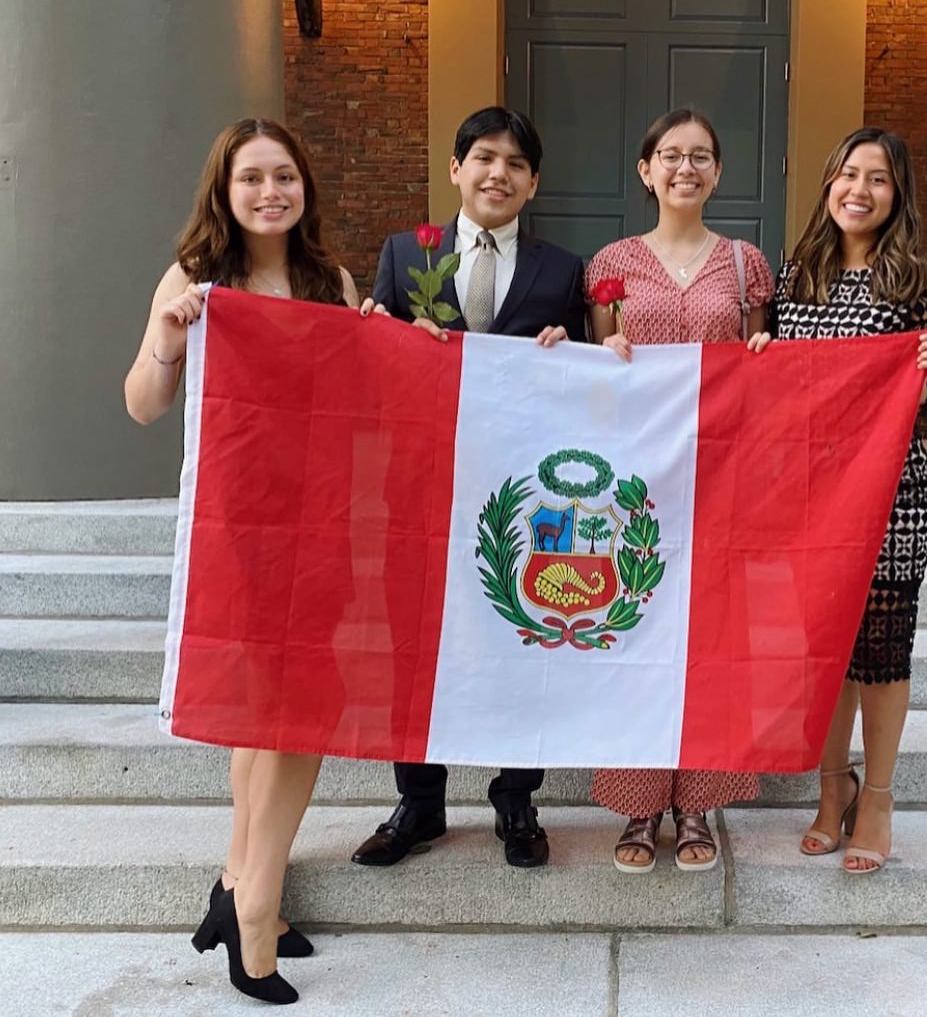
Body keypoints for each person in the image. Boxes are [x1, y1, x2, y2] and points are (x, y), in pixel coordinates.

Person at [125, 117, 359, 1004]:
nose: (271, 192)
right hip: (241, 531)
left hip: (326, 523)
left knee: (284, 713)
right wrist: (167, 333)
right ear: (224, 191)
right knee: (283, 714)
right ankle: (257, 907)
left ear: (305, 188)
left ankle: (234, 884)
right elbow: (144, 404)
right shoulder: (198, 278)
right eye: (253, 178)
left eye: (286, 177)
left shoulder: (327, 281)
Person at [351, 105, 588, 871]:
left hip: (518, 499)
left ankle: (516, 799)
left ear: (533, 183)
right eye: (484, 157)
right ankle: (418, 803)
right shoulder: (402, 253)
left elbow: (583, 388)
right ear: (456, 169)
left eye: (516, 164)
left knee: (522, 635)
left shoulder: (562, 269)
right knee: (413, 640)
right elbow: (375, 372)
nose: (499, 173)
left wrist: (570, 348)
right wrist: (374, 333)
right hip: (420, 490)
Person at [585, 107, 773, 873]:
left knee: (711, 638)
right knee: (633, 628)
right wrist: (604, 351)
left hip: (720, 475)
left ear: (718, 172)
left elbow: (766, 367)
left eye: (700, 156)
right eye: (669, 155)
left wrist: (762, 351)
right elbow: (596, 370)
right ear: (645, 169)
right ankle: (638, 808)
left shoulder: (744, 264)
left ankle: (698, 801)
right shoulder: (611, 260)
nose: (684, 168)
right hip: (635, 479)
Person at [770, 126, 927, 874]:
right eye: (848, 174)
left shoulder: (916, 280)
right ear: (828, 184)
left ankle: (876, 796)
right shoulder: (795, 274)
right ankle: (830, 785)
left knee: (879, 649)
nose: (859, 190)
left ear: (896, 193)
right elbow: (778, 389)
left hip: (890, 493)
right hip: (810, 497)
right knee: (825, 647)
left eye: (877, 178)